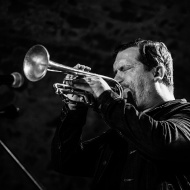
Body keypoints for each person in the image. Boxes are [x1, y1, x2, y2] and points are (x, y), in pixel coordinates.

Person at [51, 38, 190, 190]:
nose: (116, 79)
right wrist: (74, 108)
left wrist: (106, 98)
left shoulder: (185, 115)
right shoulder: (122, 133)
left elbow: (163, 144)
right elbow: (66, 162)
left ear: (158, 72)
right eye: (115, 72)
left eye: (124, 69)